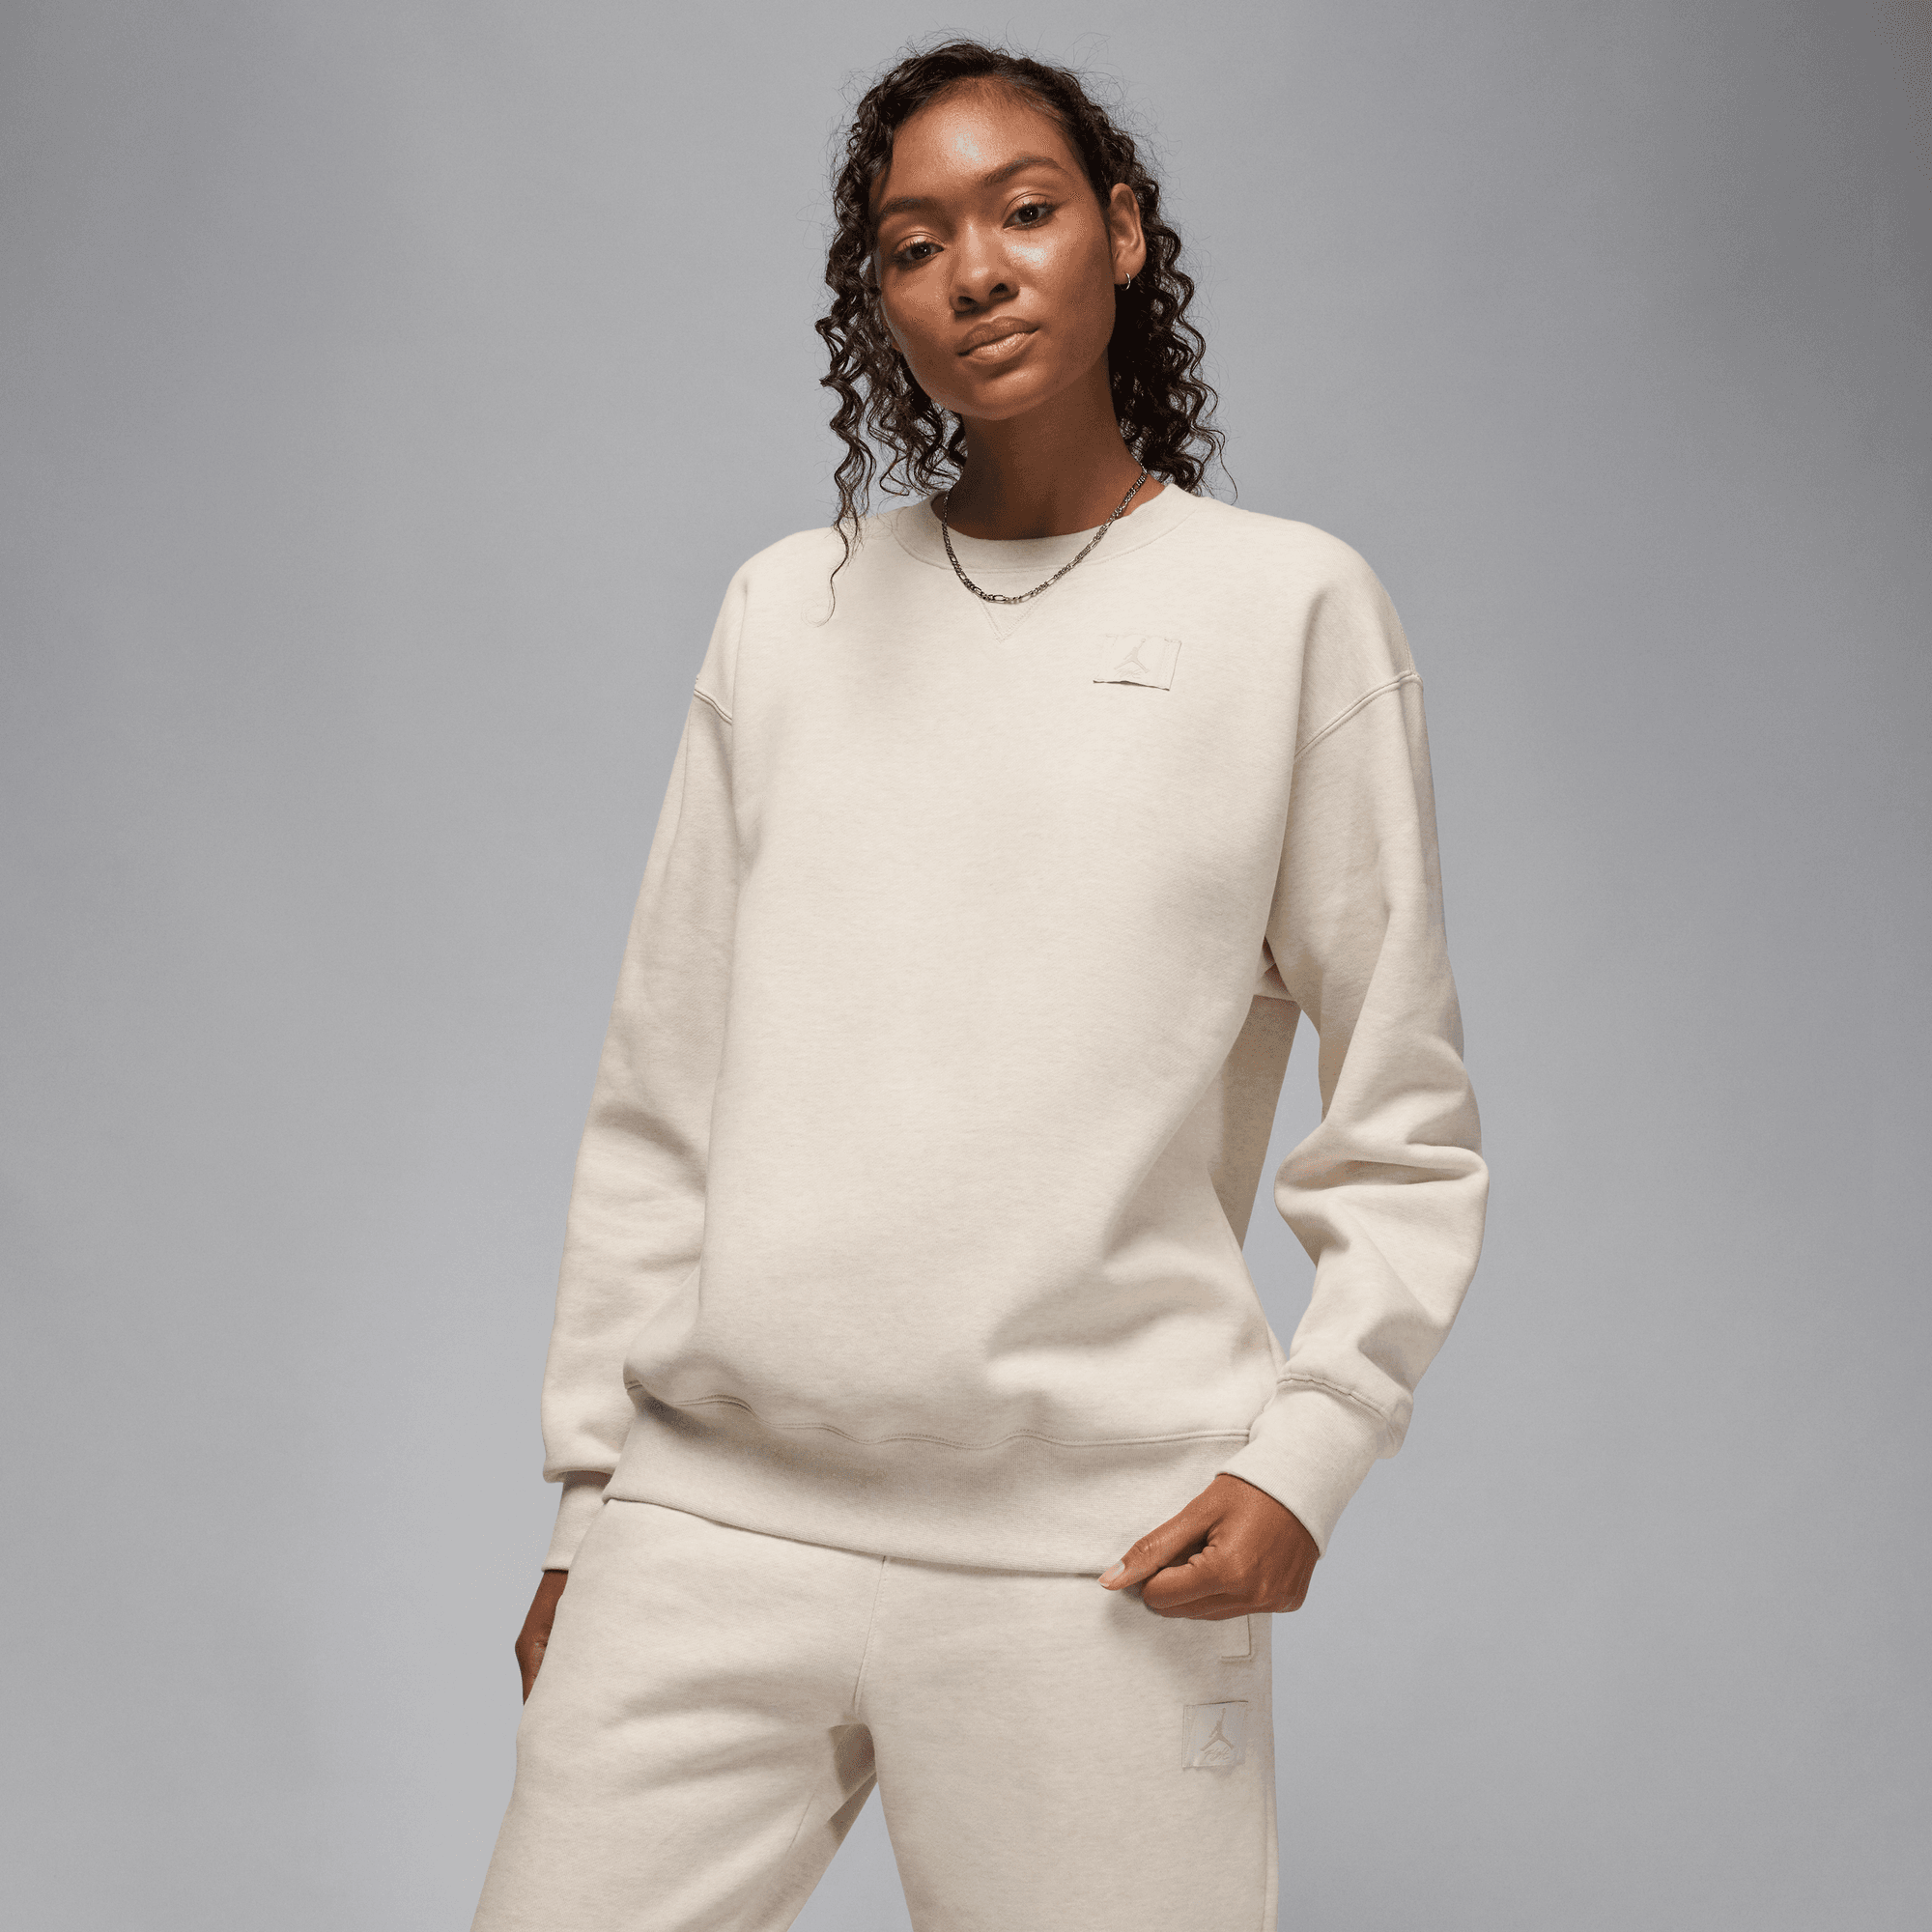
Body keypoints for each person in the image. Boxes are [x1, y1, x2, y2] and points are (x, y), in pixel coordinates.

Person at [470, 38, 1488, 1932]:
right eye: (913, 241)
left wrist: (1309, 1456)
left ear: (1122, 232)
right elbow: (661, 1092)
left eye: (1025, 211)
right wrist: (591, 1505)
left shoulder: (1287, 610)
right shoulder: (787, 611)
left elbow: (1405, 1116)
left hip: (1096, 1554)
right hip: (713, 1524)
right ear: (877, 299)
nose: (976, 272)